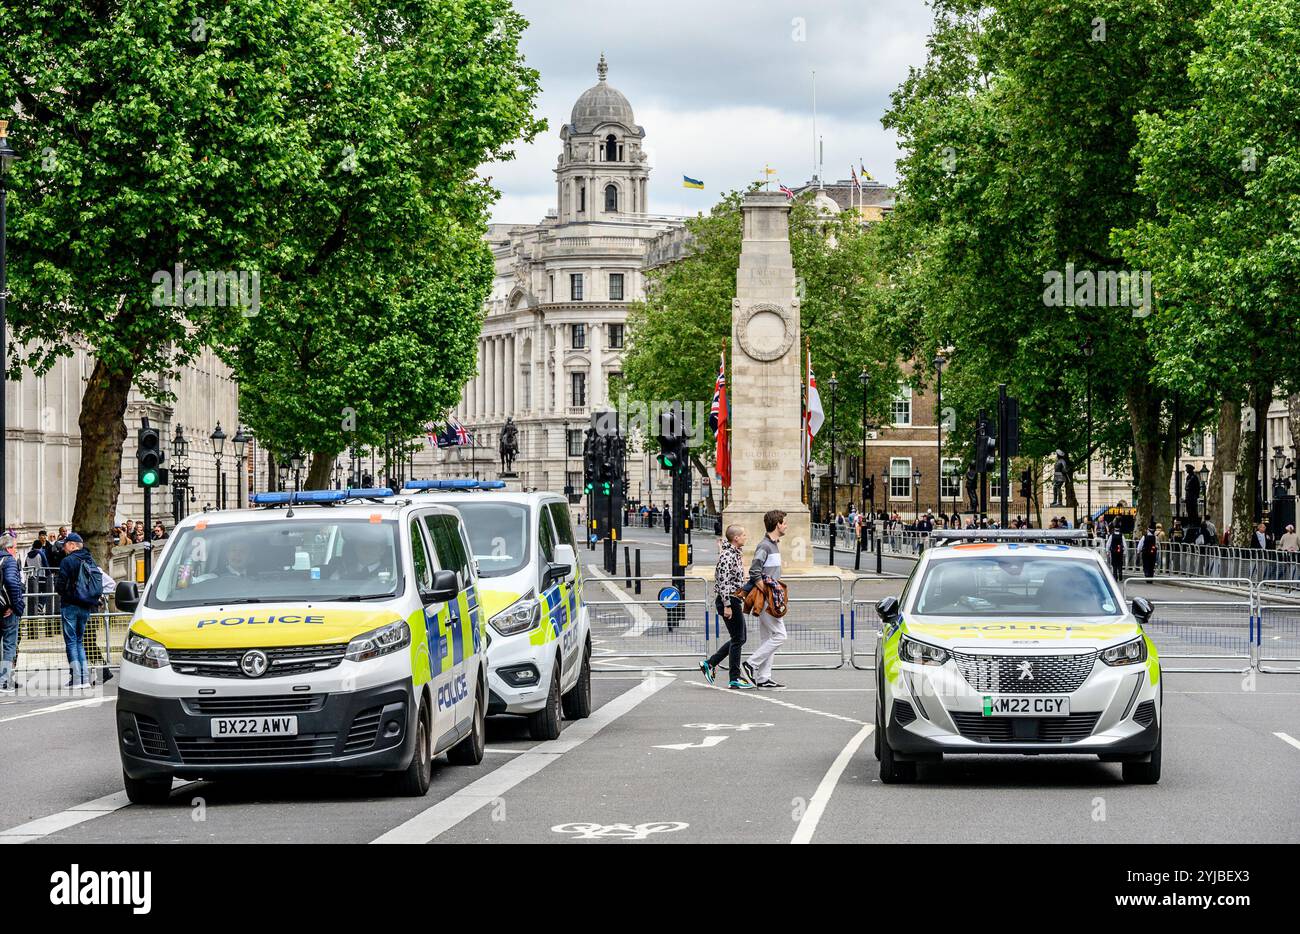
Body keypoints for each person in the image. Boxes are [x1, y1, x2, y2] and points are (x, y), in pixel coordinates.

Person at [700, 525, 754, 690]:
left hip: (734, 598)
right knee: (738, 639)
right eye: (743, 534)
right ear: (736, 538)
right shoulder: (728, 556)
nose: (746, 537)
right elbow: (722, 582)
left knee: (740, 638)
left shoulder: (734, 553)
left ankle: (710, 663)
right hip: (729, 599)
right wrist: (727, 605)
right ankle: (734, 678)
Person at [743, 510, 788, 690]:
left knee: (767, 638)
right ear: (777, 524)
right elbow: (754, 571)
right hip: (768, 599)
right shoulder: (765, 546)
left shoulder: (773, 545)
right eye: (784, 523)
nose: (786, 526)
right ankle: (750, 664)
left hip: (769, 597)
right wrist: (767, 592)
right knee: (780, 635)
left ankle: (763, 678)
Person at [55, 532, 102, 689]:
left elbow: (60, 585)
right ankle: (85, 679)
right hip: (86, 605)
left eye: (66, 544)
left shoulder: (67, 561)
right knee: (79, 641)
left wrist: (64, 592)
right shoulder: (90, 559)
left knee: (71, 642)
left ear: (72, 545)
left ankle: (76, 679)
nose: (64, 548)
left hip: (70, 605)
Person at [0, 535, 24, 694]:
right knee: (9, 646)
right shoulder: (9, 561)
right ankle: (3, 681)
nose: (16, 550)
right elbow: (11, 582)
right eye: (15, 547)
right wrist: (16, 606)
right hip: (7, 610)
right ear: (8, 548)